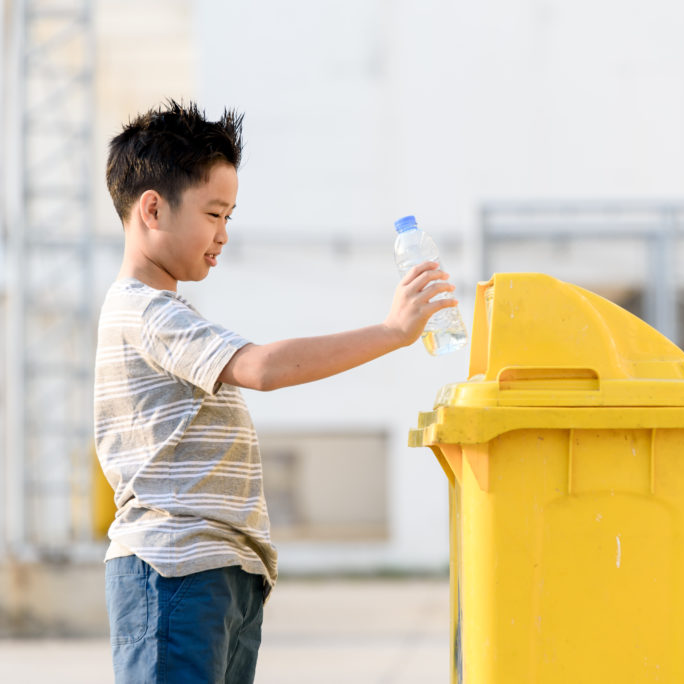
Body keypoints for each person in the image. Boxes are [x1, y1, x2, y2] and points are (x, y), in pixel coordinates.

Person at [94, 99, 457, 684]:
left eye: (230, 216)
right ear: (153, 209)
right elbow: (262, 368)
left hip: (219, 571)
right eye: (214, 214)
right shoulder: (144, 311)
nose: (223, 235)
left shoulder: (166, 312)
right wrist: (392, 332)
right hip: (175, 567)